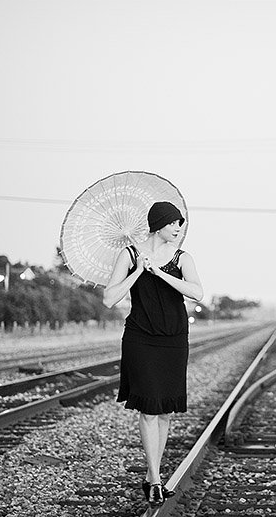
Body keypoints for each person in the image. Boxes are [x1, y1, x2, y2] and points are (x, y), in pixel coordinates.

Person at [103, 201, 203, 506]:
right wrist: (138, 271)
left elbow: (197, 292)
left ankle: (151, 475)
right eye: (174, 223)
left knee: (165, 411)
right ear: (159, 223)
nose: (178, 228)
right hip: (140, 338)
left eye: (180, 224)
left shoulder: (182, 257)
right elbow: (109, 298)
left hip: (174, 339)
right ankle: (157, 480)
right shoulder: (130, 255)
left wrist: (158, 272)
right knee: (148, 409)